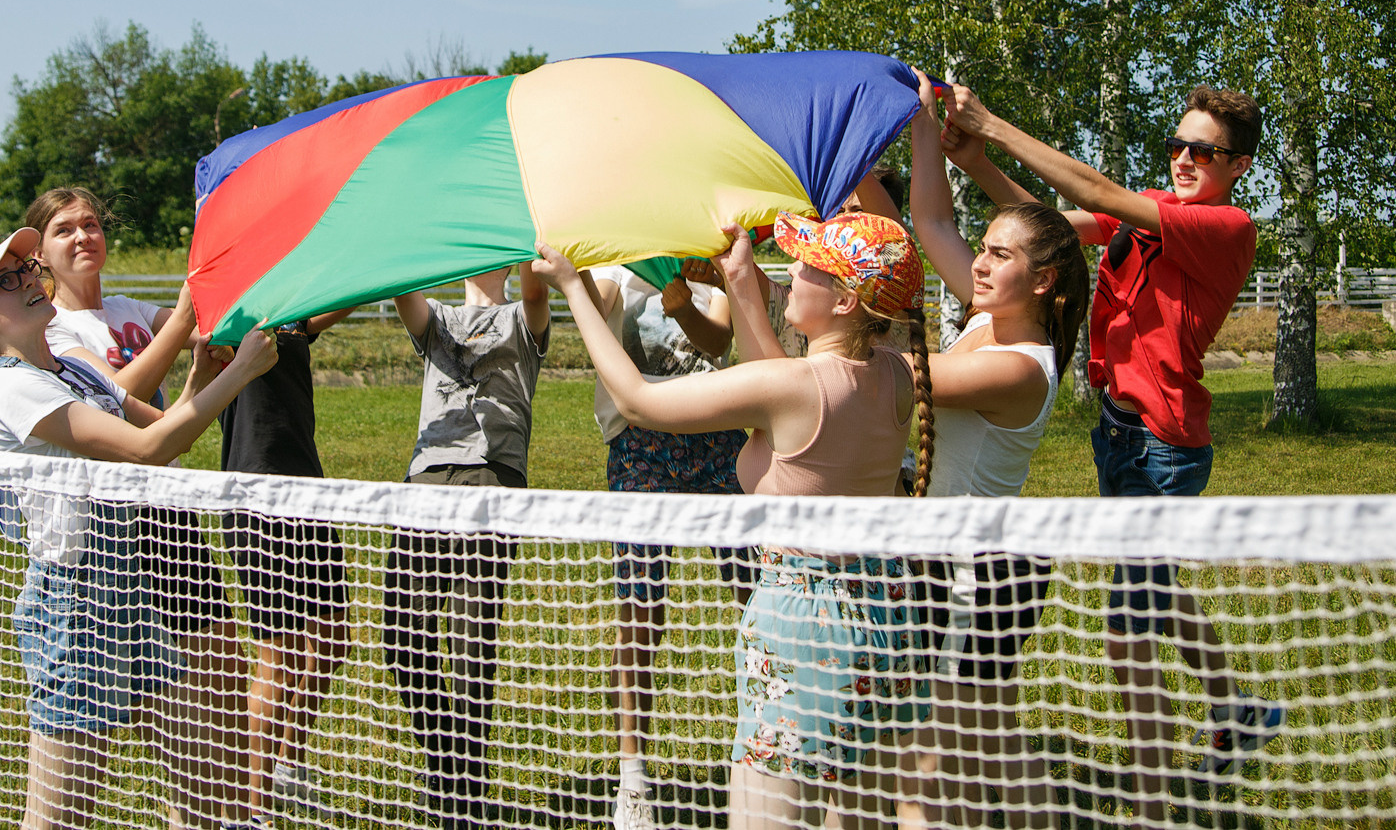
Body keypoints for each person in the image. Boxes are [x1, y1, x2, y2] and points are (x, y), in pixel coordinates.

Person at [938, 82, 1282, 815]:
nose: (1185, 159)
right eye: (1178, 144)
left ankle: (1154, 803)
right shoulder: (1157, 205)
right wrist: (972, 163)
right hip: (1120, 436)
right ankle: (1239, 706)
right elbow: (1053, 234)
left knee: (1128, 632)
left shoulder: (1225, 225)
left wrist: (993, 125)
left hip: (1163, 444)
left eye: (1205, 151)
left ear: (1239, 166)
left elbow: (1094, 189)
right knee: (1151, 586)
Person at [536, 214, 931, 830]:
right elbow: (775, 384)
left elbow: (640, 400)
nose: (793, 274)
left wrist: (568, 288)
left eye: (809, 268)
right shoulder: (897, 375)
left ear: (848, 299)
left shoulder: (795, 386)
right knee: (854, 816)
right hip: (884, 616)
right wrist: (739, 276)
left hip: (805, 630)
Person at [0, 227, 276, 830]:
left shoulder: (74, 367)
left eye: (23, 270)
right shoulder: (13, 387)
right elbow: (146, 450)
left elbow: (170, 429)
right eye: (4, 282)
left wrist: (201, 372)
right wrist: (241, 373)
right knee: (62, 813)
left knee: (197, 781)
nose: (26, 280)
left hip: (133, 583)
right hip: (74, 601)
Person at [23, 187, 247, 829]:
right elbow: (110, 397)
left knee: (216, 678)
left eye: (91, 225)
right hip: (115, 532)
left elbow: (187, 384)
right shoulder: (51, 330)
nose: (83, 237)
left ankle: (211, 811)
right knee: (131, 708)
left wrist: (210, 346)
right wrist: (179, 325)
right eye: (65, 229)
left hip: (170, 511)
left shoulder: (128, 310)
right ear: (39, 252)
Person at [906, 77, 1088, 828]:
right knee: (989, 753)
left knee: (932, 765)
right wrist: (921, 125)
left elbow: (909, 380)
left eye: (1000, 255)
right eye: (983, 249)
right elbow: (931, 217)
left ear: (1043, 281)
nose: (978, 263)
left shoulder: (1019, 364)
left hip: (976, 576)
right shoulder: (989, 319)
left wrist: (858, 301)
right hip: (947, 561)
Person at [383, 263, 551, 830]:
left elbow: (534, 287)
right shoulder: (440, 320)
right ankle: (448, 760)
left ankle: (467, 793)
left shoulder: (521, 321)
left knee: (470, 642)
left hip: (492, 477)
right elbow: (403, 287)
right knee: (401, 636)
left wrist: (519, 233)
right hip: (427, 478)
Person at [577, 261, 740, 830]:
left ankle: (770, 737)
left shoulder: (702, 259)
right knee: (640, 610)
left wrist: (687, 303)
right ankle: (632, 775)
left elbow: (719, 340)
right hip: (638, 448)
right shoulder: (611, 265)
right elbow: (590, 313)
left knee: (757, 591)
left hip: (717, 431)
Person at [216, 308, 359, 823]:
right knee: (279, 656)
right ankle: (253, 807)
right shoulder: (231, 318)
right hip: (258, 495)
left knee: (334, 637)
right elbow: (194, 330)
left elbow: (344, 296)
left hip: (307, 492)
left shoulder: (292, 317)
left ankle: (286, 764)